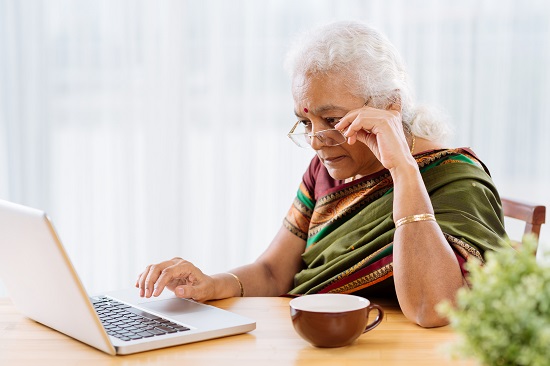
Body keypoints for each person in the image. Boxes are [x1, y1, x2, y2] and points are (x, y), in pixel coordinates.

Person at [136, 21, 508, 328]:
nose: (316, 141)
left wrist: (403, 171)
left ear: (390, 107)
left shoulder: (454, 178)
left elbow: (432, 307)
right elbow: (272, 273)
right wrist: (211, 284)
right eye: (305, 121)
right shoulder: (327, 168)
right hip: (315, 340)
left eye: (331, 120)